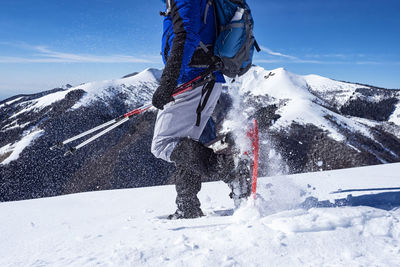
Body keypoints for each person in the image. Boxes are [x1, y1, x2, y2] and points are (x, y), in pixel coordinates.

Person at [151, 0, 250, 219]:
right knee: (185, 144)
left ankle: (231, 170)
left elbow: (186, 35)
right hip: (200, 78)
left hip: (193, 79)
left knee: (163, 144)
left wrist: (168, 82)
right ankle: (187, 206)